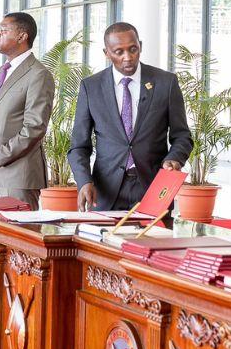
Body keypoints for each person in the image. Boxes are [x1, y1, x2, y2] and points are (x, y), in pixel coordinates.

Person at [0, 12, 54, 323]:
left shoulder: (38, 74)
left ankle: (23, 302)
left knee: (21, 242)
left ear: (23, 36)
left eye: (3, 30)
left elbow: (34, 127)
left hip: (17, 173)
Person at [68, 22, 193, 211]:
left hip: (153, 190)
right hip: (104, 193)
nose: (128, 57)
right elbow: (79, 145)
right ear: (106, 53)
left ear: (140, 46)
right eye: (119, 52)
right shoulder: (90, 87)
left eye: (133, 49)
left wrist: (174, 159)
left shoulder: (165, 83)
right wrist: (84, 181)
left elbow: (182, 136)